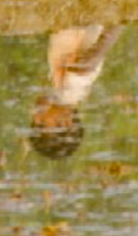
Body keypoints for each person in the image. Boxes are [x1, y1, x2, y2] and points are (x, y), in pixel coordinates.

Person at [29, 24, 123, 159]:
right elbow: (107, 39)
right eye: (44, 124)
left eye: (35, 122)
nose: (36, 117)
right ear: (66, 122)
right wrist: (119, 21)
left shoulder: (63, 89)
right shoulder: (74, 85)